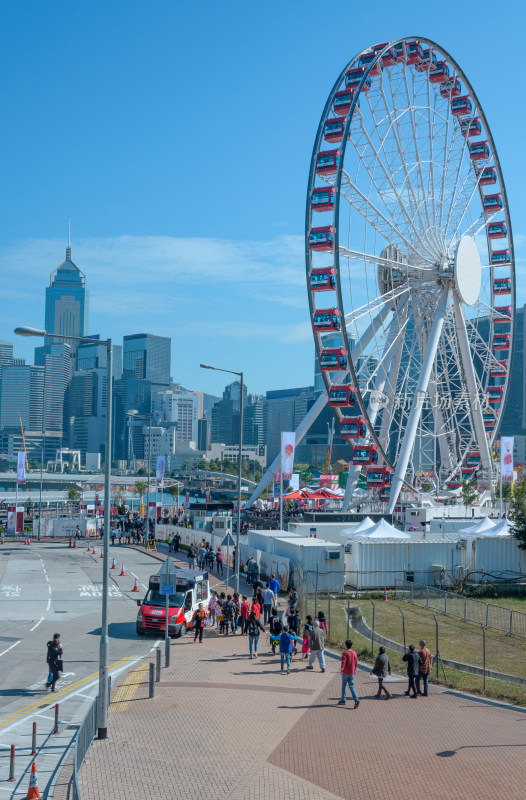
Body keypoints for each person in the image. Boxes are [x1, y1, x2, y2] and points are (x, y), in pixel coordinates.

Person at [338, 640, 359, 708]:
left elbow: (343, 662)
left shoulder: (345, 653)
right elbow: (356, 662)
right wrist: (355, 669)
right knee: (351, 686)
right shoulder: (354, 653)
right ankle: (356, 699)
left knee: (344, 686)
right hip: (352, 672)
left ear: (346, 645)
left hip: (345, 672)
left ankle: (343, 700)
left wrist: (341, 669)